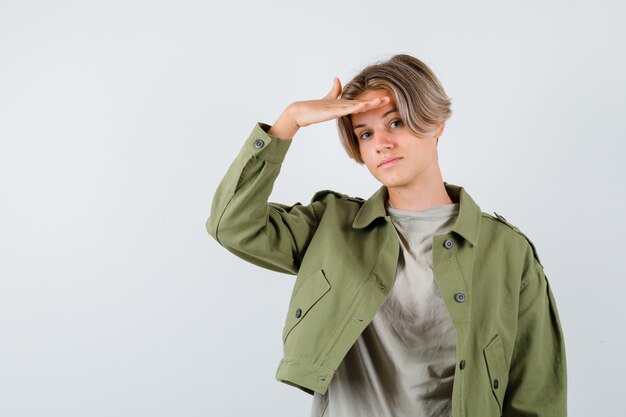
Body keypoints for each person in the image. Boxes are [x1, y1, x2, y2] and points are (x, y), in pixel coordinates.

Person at [206, 54, 567, 417]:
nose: (381, 143)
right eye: (365, 133)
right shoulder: (331, 227)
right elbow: (232, 225)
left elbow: (536, 394)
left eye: (395, 123)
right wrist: (289, 122)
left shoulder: (506, 251)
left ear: (435, 122)